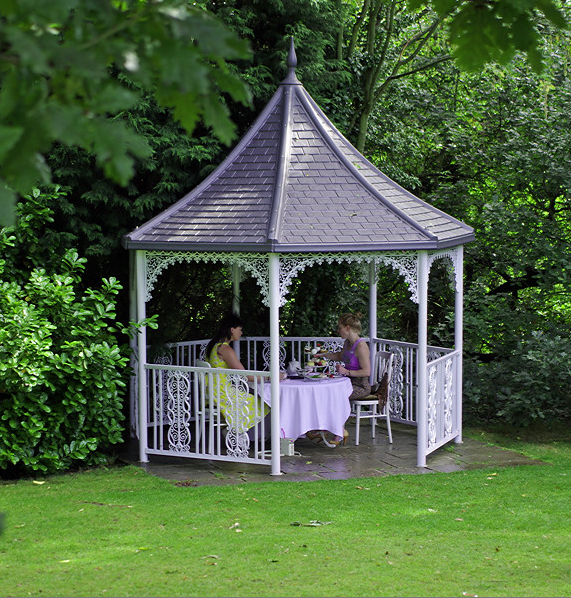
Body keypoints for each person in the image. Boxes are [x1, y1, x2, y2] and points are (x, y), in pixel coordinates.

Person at [205, 313, 270, 441]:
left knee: (255, 396)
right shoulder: (225, 349)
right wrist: (270, 377)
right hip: (223, 392)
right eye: (240, 329)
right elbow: (245, 376)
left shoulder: (213, 345)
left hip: (214, 390)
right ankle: (236, 432)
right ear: (232, 330)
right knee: (265, 402)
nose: (241, 333)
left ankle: (236, 430)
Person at [310, 312, 371, 446]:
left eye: (340, 328)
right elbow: (339, 356)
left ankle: (339, 431)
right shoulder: (347, 343)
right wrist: (324, 354)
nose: (338, 331)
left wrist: (346, 371)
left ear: (348, 328)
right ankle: (324, 428)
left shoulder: (361, 347)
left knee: (336, 396)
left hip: (360, 386)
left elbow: (366, 371)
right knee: (326, 393)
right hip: (347, 382)